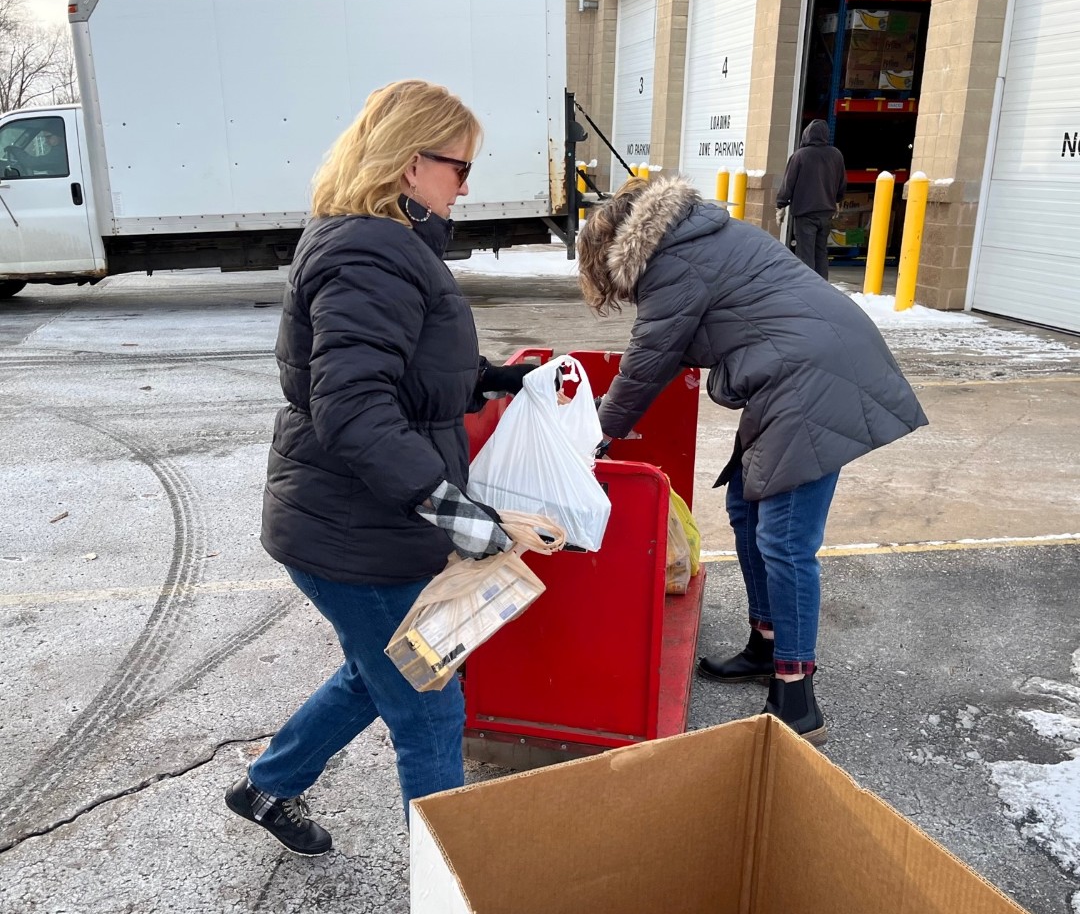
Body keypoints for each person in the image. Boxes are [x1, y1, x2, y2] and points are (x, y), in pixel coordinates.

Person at [225, 80, 534, 856]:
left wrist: (497, 379)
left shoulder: (382, 246)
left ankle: (268, 786)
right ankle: (454, 911)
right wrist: (462, 518)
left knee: (385, 668)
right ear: (409, 165)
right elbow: (355, 408)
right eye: (460, 169)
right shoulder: (372, 250)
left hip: (358, 524)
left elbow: (405, 371)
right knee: (429, 705)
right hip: (355, 535)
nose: (468, 186)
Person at [578, 174, 927, 745]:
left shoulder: (672, 261)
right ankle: (766, 644)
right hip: (795, 368)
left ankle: (796, 691)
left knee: (785, 540)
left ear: (616, 249)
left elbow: (649, 362)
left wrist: (597, 431)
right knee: (744, 506)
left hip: (810, 378)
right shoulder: (699, 234)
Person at [775, 118, 846, 279]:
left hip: (805, 214)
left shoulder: (800, 156)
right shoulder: (836, 155)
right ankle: (822, 288)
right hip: (826, 213)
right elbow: (841, 182)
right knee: (821, 253)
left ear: (806, 135)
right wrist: (837, 200)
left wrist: (781, 205)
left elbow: (788, 183)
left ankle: (807, 289)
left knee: (805, 254)